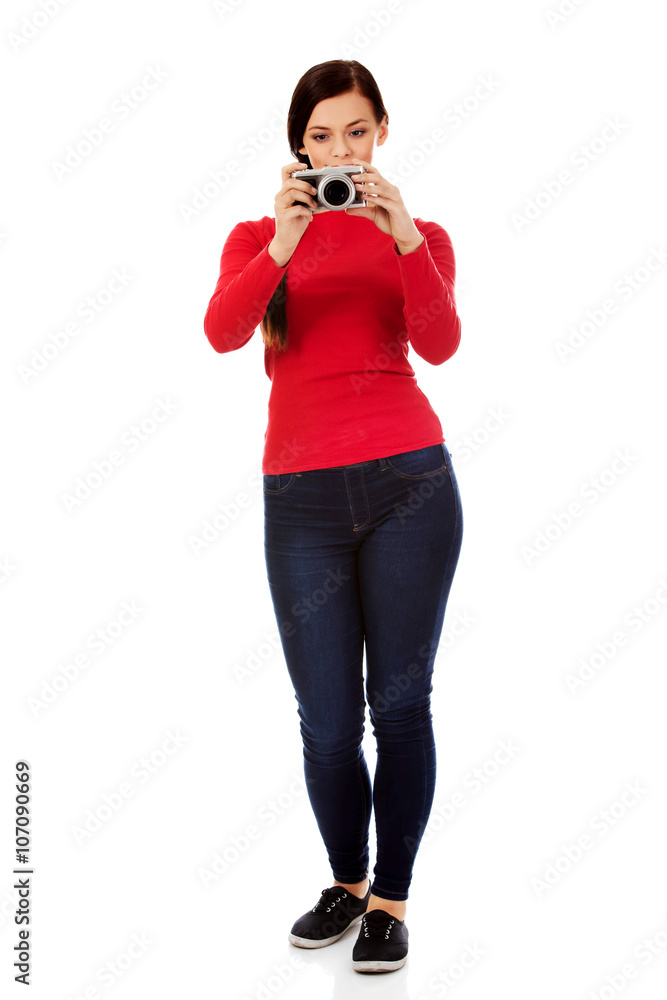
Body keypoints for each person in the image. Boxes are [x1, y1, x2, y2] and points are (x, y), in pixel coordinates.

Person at [203, 59, 464, 974]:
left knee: (399, 706)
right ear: (297, 148)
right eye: (321, 137)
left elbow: (439, 340)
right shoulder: (255, 236)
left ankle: (390, 899)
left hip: (410, 488)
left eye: (355, 131)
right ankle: (346, 882)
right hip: (302, 500)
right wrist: (280, 242)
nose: (340, 149)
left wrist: (399, 237)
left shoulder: (420, 234)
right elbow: (221, 331)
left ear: (381, 132)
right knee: (324, 722)